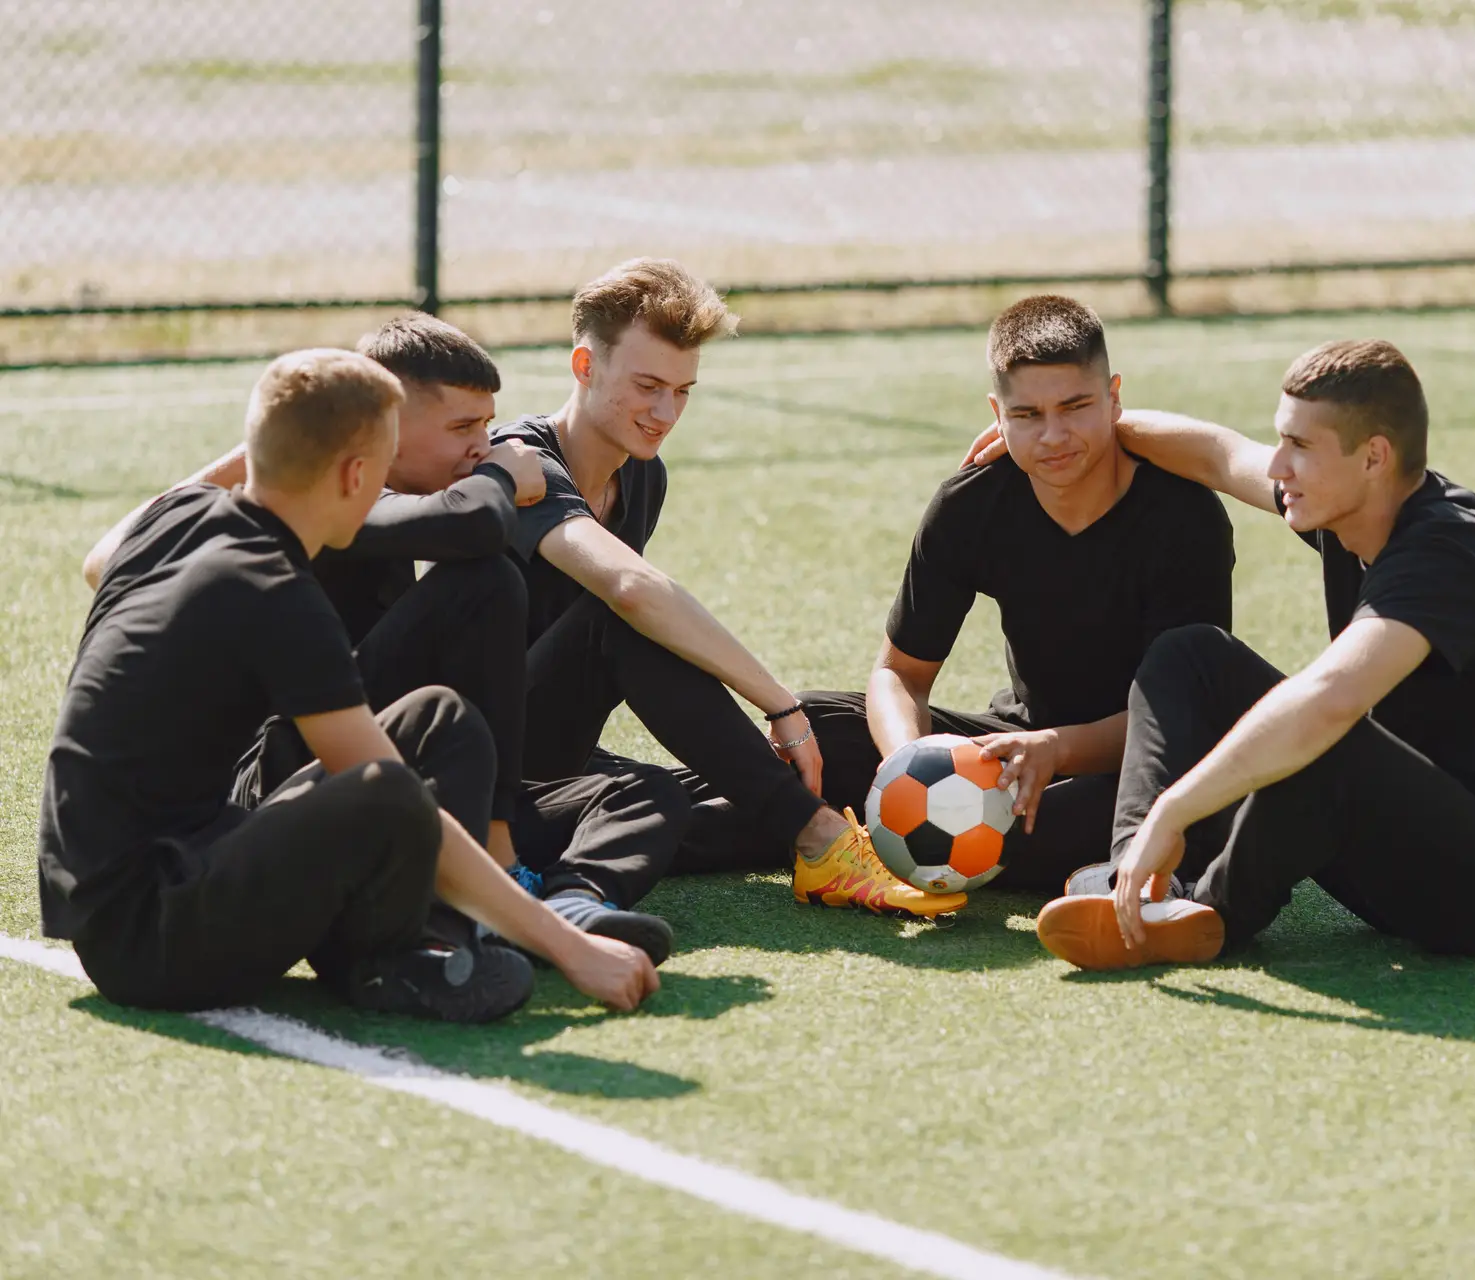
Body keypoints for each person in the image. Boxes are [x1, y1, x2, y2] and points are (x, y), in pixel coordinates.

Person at [43, 349, 658, 1020]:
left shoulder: (176, 517)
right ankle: (391, 963)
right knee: (388, 783)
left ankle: (430, 940)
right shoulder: (274, 591)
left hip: (168, 879)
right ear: (357, 474)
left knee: (437, 719)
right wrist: (571, 947)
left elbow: (101, 559)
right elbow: (385, 792)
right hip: (150, 940)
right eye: (387, 467)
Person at [1000, 339, 1475, 969]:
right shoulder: (1349, 504)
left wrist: (1175, 809)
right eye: (1282, 441)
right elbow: (1217, 455)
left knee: (1321, 728)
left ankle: (1209, 915)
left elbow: (1331, 699)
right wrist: (1077, 438)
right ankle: (1138, 886)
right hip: (1393, 849)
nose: (1278, 466)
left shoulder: (1449, 554)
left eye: (1300, 448)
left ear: (1374, 457)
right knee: (1191, 655)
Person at [493, 257, 960, 918]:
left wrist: (801, 722)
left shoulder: (642, 476)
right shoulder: (520, 465)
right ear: (584, 366)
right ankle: (820, 837)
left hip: (558, 762)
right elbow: (629, 589)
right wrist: (777, 704)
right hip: (477, 764)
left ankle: (794, 826)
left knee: (831, 746)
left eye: (683, 390)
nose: (664, 412)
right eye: (648, 385)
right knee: (619, 615)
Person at [795, 295, 1235, 892]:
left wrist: (1056, 750)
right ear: (996, 413)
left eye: (1076, 406)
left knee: (1174, 811)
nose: (1054, 435)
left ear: (1114, 397)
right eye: (1027, 414)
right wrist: (910, 769)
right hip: (1021, 740)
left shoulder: (1184, 516)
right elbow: (899, 675)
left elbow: (1187, 712)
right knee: (816, 724)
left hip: (1142, 760)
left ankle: (870, 836)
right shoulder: (972, 504)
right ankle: (829, 825)